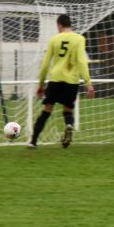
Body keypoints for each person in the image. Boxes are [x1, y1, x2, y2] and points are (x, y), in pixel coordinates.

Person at [30, 14, 95, 149]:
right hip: (72, 81)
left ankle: (33, 142)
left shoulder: (54, 40)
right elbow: (82, 62)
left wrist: (41, 85)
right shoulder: (80, 39)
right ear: (70, 24)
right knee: (68, 110)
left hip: (55, 79)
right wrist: (88, 83)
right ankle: (69, 125)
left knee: (46, 111)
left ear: (59, 25)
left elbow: (45, 65)